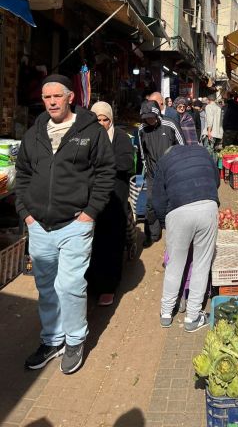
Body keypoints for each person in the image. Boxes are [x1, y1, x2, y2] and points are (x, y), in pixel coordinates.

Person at [16, 74, 116, 374]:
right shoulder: (34, 134)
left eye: (57, 96)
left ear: (70, 97)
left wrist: (89, 213)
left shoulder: (89, 130)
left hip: (75, 224)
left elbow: (106, 172)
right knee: (46, 286)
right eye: (46, 98)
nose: (51, 102)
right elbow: (22, 175)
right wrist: (26, 214)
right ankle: (52, 339)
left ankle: (75, 339)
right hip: (40, 226)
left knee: (70, 284)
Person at [152, 144, 219, 331]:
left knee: (174, 264)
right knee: (201, 264)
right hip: (207, 206)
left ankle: (166, 313)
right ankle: (193, 317)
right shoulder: (203, 151)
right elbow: (216, 180)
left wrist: (166, 224)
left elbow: (157, 199)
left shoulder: (164, 161)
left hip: (178, 212)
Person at [86, 102, 134, 306]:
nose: (102, 123)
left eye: (106, 119)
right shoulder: (86, 138)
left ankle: (109, 286)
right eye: (98, 119)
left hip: (115, 197)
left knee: (112, 241)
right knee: (91, 242)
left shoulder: (121, 138)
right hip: (91, 198)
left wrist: (102, 163)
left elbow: (126, 163)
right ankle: (92, 283)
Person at [138, 100, 185, 247]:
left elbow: (182, 146)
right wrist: (147, 169)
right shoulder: (141, 129)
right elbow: (142, 153)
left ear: (158, 114)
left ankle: (177, 234)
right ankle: (152, 234)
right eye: (146, 118)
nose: (149, 120)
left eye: (151, 117)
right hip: (152, 173)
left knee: (174, 203)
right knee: (151, 204)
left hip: (171, 172)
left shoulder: (170, 125)